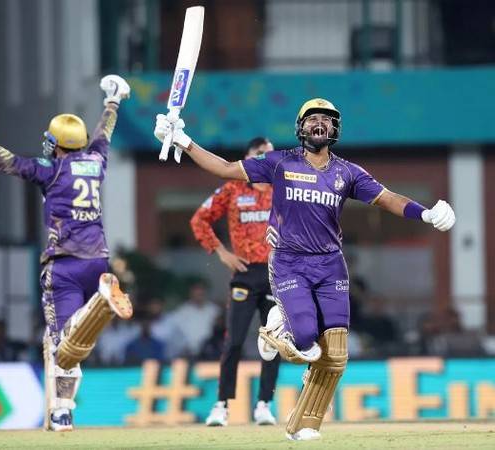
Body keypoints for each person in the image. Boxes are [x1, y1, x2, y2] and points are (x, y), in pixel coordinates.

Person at [154, 98, 455, 441]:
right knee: (308, 344)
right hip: (289, 263)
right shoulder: (279, 162)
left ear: (334, 130)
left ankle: (304, 425)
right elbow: (224, 169)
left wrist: (426, 214)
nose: (319, 124)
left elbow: (387, 198)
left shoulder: (347, 173)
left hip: (330, 266)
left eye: (326, 120)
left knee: (336, 355)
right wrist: (183, 140)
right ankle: (274, 331)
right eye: (312, 118)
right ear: (300, 127)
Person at [0, 75, 135, 431]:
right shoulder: (96, 161)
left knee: (64, 346)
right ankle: (89, 319)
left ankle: (62, 411)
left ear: (55, 143)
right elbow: (103, 132)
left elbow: (5, 160)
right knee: (63, 345)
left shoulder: (50, 169)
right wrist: (113, 100)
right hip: (98, 262)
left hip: (64, 267)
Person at [190, 137, 280, 426]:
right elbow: (200, 220)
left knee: (274, 341)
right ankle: (221, 405)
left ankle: (264, 404)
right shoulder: (232, 188)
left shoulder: (284, 190)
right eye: (260, 153)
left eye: (270, 153)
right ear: (247, 156)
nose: (266, 157)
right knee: (235, 341)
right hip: (244, 274)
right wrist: (221, 253)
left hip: (276, 276)